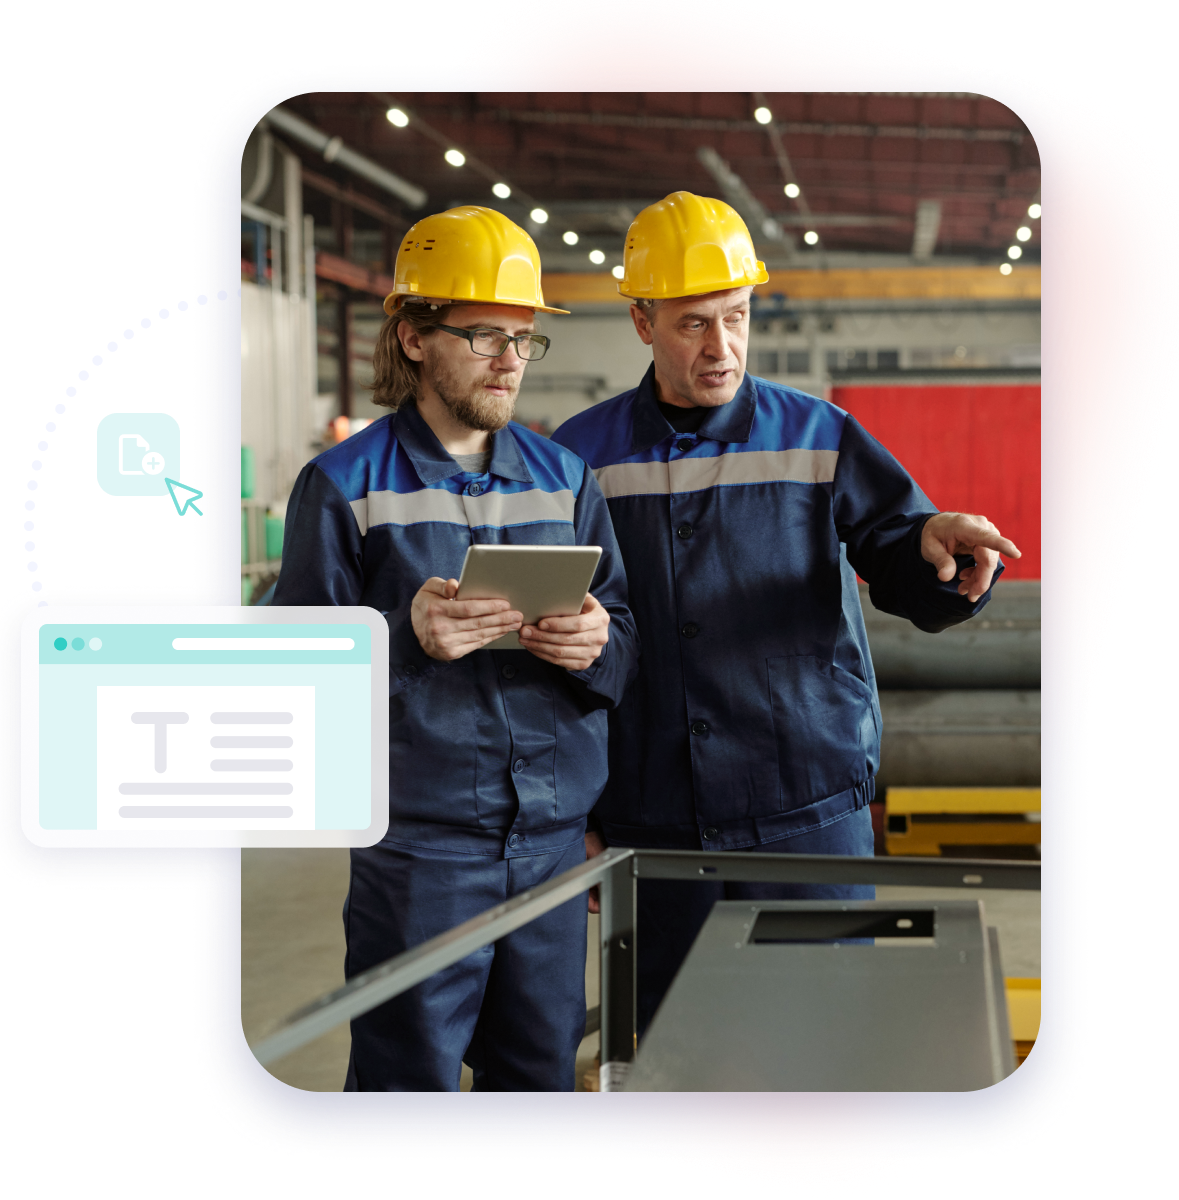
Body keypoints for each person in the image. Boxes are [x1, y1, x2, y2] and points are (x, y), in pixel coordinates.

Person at [552, 191, 1021, 1036]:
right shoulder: (578, 457)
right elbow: (558, 644)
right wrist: (574, 813)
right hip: (652, 815)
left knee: (825, 1042)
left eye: (736, 316)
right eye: (694, 324)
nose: (721, 346)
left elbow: (894, 542)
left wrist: (933, 546)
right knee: (672, 1052)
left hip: (806, 806)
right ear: (641, 321)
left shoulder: (817, 434)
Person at [272, 205, 638, 1091]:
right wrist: (405, 640)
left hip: (550, 847)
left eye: (523, 338)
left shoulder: (565, 478)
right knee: (409, 1088)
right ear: (411, 336)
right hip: (420, 856)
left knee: (539, 1083)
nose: (510, 359)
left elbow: (625, 645)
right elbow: (287, 692)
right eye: (483, 335)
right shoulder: (342, 487)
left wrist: (597, 643)